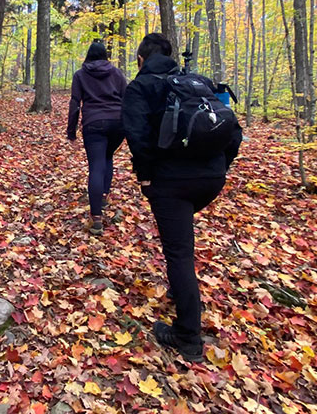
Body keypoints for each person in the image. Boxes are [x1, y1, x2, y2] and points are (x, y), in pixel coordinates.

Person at [121, 33, 242, 362]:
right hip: (212, 179)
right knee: (181, 239)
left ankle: (188, 337)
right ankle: (180, 289)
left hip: (171, 181)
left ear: (141, 60)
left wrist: (145, 176)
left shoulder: (140, 88)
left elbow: (137, 137)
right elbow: (232, 129)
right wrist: (219, 167)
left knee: (179, 253)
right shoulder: (196, 81)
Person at [67, 41, 128, 236]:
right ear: (105, 55)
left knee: (96, 165)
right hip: (118, 123)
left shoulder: (80, 75)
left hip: (94, 123)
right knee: (107, 158)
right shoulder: (117, 74)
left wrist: (71, 130)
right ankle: (102, 196)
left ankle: (96, 219)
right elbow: (127, 99)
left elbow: (75, 103)